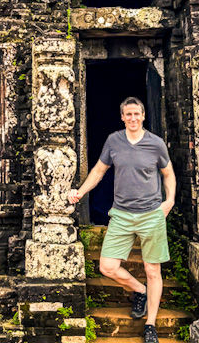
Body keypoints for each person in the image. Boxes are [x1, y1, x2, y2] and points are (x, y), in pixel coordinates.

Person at [69, 97, 176, 343]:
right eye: (128, 114)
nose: (133, 118)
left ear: (143, 115)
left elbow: (168, 173)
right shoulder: (114, 141)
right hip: (121, 214)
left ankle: (150, 325)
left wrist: (168, 201)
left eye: (136, 114)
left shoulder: (155, 144)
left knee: (153, 270)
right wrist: (81, 192)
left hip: (151, 214)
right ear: (122, 117)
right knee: (107, 266)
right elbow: (99, 170)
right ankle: (139, 290)